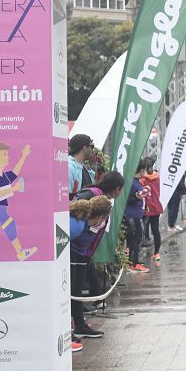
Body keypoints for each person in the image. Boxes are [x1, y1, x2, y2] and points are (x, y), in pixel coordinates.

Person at [68, 195, 113, 350]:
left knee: (76, 292)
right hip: (71, 255)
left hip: (80, 254)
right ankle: (68, 332)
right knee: (70, 293)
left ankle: (79, 325)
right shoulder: (77, 225)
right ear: (100, 217)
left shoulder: (83, 222)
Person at [125, 163, 150, 273]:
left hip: (136, 213)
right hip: (133, 215)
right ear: (141, 170)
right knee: (137, 237)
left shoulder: (135, 182)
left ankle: (132, 262)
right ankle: (134, 263)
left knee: (133, 238)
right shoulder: (132, 183)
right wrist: (136, 197)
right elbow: (127, 199)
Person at [140, 158, 163, 264]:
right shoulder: (157, 177)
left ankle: (139, 247)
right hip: (156, 205)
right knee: (155, 230)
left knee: (142, 228)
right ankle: (157, 253)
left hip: (146, 207)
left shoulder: (143, 179)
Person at [68, 134, 95, 198]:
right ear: (85, 148)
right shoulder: (69, 167)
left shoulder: (83, 168)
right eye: (92, 146)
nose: (93, 150)